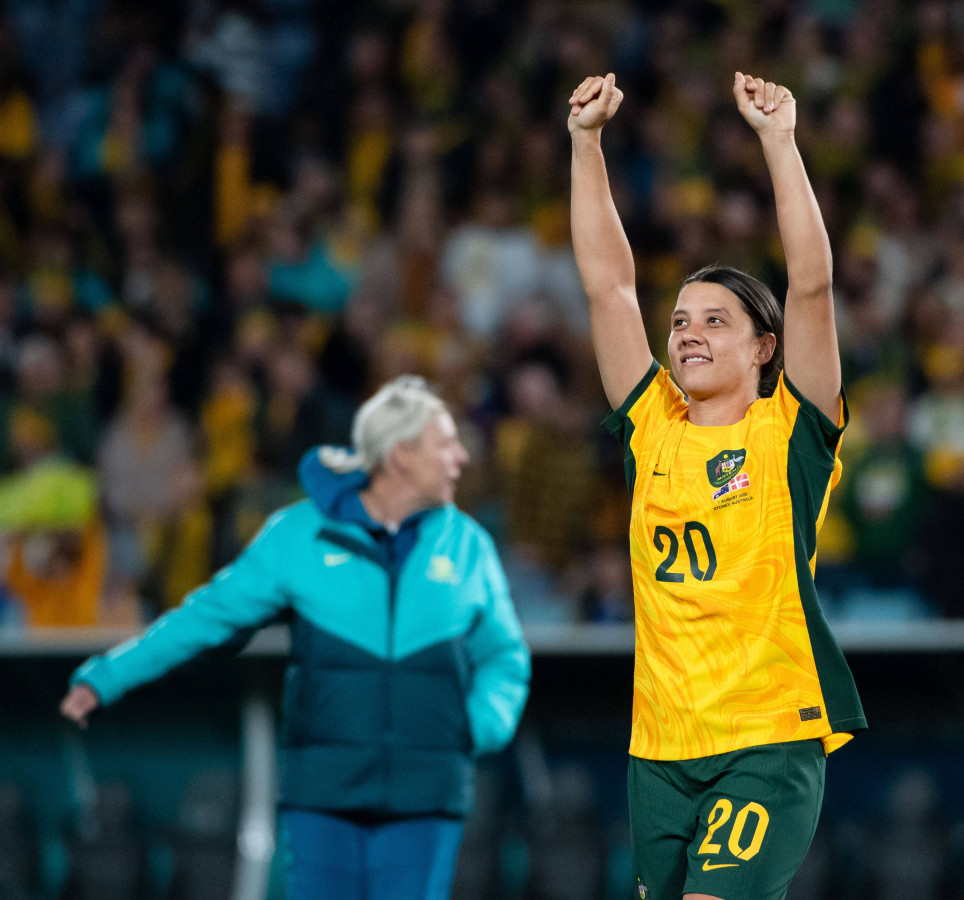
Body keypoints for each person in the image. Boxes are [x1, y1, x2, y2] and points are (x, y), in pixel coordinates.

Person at [60, 375, 530, 900]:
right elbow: (205, 619)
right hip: (324, 795)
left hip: (429, 792)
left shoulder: (469, 545)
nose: (461, 457)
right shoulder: (298, 534)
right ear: (400, 455)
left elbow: (504, 656)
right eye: (445, 443)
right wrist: (108, 675)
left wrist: (478, 725)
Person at [568, 71, 866, 900]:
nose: (688, 333)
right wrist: (585, 144)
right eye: (680, 322)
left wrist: (779, 143)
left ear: (764, 347)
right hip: (659, 745)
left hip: (767, 735)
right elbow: (608, 286)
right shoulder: (651, 427)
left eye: (714, 320)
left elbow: (811, 285)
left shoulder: (789, 433)